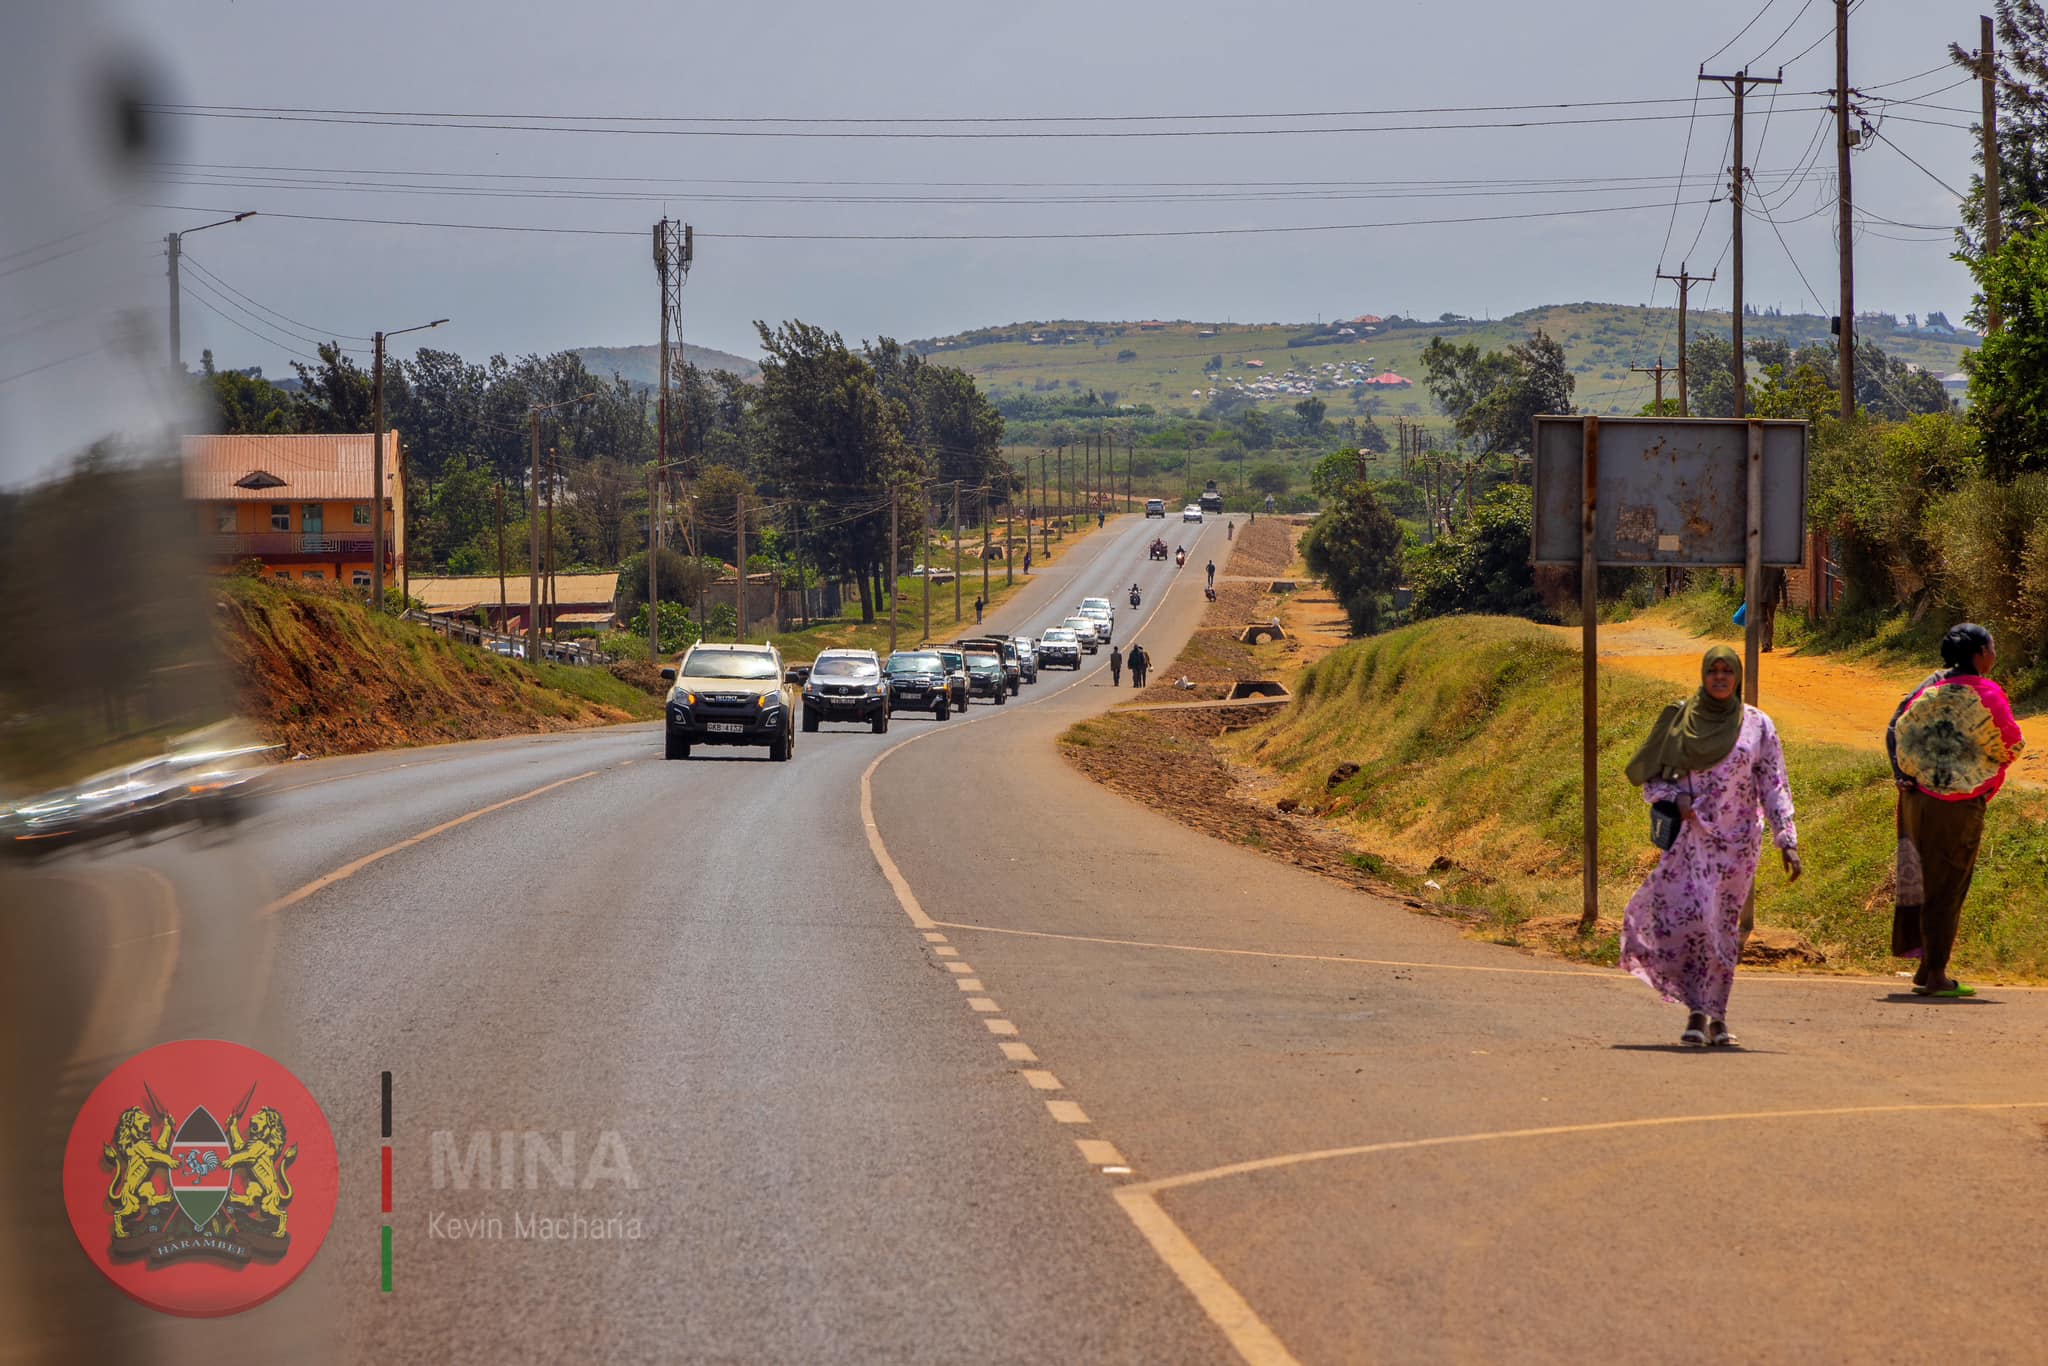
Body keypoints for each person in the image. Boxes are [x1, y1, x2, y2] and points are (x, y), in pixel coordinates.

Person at [1621, 646, 1800, 1047]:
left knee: (1722, 927)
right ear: (1703, 675)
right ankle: (1697, 1012)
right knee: (1695, 923)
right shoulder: (1682, 720)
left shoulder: (1757, 725)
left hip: (1737, 845)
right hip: (1693, 839)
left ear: (1736, 677)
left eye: (1727, 671)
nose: (1720, 678)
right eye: (1712, 671)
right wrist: (1672, 798)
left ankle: (1715, 1016)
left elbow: (1773, 784)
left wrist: (1786, 840)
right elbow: (1652, 779)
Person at [1887, 623, 2025, 999]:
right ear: (1979, 654)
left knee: (1919, 878)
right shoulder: (1988, 694)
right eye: (1991, 648)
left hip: (1916, 799)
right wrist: (1981, 778)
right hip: (1957, 805)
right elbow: (2011, 743)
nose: (1994, 655)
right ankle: (1936, 975)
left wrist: (1907, 774)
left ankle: (1924, 964)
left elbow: (1897, 729)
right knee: (1947, 885)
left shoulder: (1929, 691)